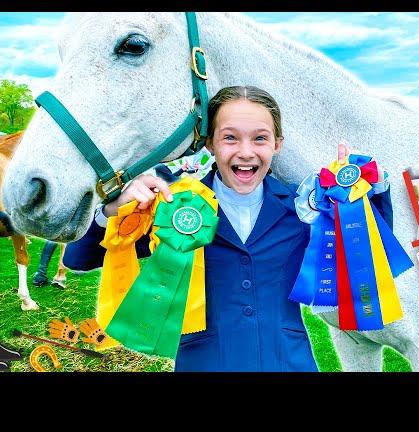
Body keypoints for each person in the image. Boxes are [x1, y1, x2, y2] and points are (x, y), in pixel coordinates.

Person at [63, 85, 393, 372]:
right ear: (209, 144)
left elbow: (364, 263)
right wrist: (112, 211)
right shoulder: (174, 207)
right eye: (230, 138)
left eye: (260, 139)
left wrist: (367, 193)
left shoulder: (303, 206)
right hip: (204, 362)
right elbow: (79, 258)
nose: (245, 152)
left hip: (288, 362)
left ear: (277, 144)